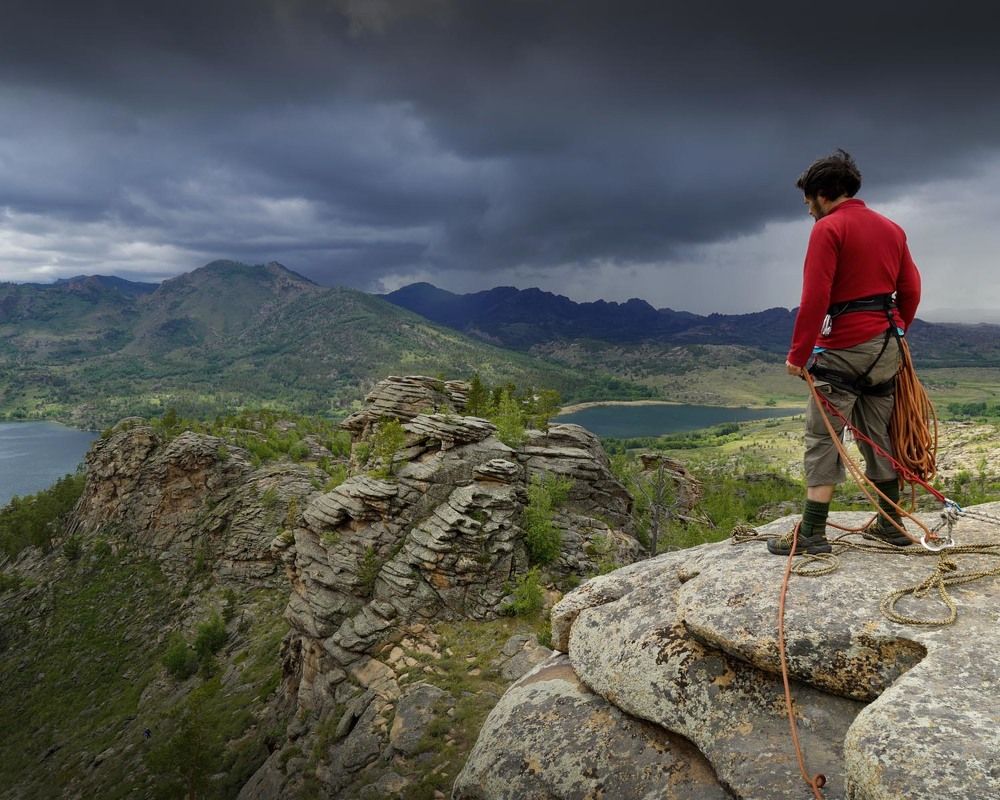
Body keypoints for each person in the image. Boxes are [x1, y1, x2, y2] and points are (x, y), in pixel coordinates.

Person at [768, 149, 922, 555]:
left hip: (844, 349)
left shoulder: (829, 229)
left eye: (809, 202)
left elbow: (815, 296)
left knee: (823, 436)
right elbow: (910, 290)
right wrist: (896, 330)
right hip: (888, 346)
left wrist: (798, 355)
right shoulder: (892, 229)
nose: (808, 211)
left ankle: (812, 533)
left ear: (823, 194)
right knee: (879, 434)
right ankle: (891, 525)